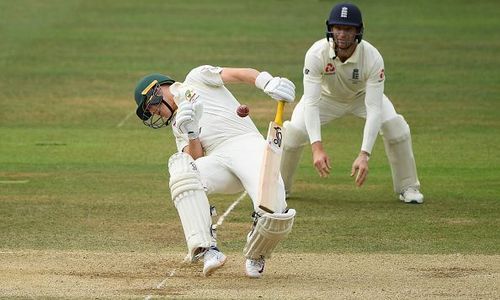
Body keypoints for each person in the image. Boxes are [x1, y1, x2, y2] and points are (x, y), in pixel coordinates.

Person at [133, 65, 297, 278]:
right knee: (182, 169)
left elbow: (239, 74)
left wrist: (268, 82)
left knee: (275, 211)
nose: (154, 112)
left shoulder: (196, 77)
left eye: (150, 107)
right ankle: (207, 250)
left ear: (156, 91)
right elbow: (196, 160)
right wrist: (191, 132)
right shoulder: (177, 125)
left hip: (246, 145)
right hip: (218, 162)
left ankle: (257, 252)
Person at [280, 3, 424, 204]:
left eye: (348, 29)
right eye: (338, 28)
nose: (342, 34)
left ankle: (408, 186)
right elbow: (311, 103)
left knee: (396, 127)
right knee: (294, 133)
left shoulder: (372, 58)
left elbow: (374, 109)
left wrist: (364, 154)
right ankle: (280, 187)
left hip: (362, 98)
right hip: (325, 99)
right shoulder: (316, 54)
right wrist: (317, 148)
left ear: (358, 31)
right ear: (331, 28)